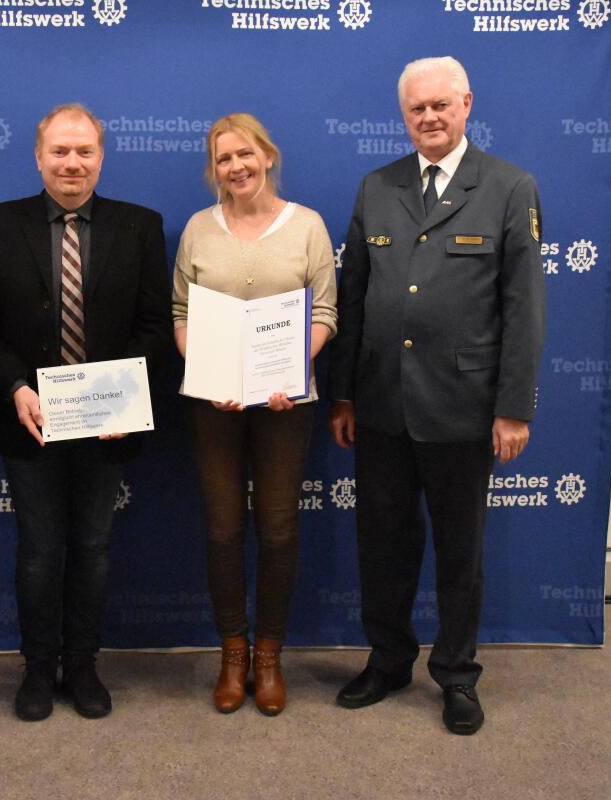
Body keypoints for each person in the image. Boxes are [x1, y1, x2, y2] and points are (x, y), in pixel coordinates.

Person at [328, 56, 546, 735]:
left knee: (459, 554)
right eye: (416, 108)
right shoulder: (377, 187)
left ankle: (456, 674)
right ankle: (389, 659)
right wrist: (343, 395)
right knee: (383, 546)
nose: (428, 117)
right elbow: (354, 298)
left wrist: (513, 407)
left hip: (464, 407)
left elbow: (524, 308)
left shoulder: (508, 187)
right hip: (381, 405)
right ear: (403, 115)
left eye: (439, 106)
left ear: (465, 105)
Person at [0, 103, 172, 722]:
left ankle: (82, 666)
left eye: (84, 151)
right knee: (39, 549)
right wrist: (15, 387)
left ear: (101, 158)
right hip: (28, 418)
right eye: (59, 151)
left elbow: (156, 324)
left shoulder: (140, 226)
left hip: (108, 421)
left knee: (94, 547)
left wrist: (123, 394)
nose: (72, 162)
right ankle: (36, 668)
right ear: (38, 157)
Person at [172, 113, 338, 716]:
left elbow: (325, 313)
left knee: (278, 529)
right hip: (214, 405)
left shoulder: (308, 226)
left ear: (268, 156)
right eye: (223, 159)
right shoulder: (198, 228)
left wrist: (286, 371)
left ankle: (269, 656)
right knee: (222, 529)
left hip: (284, 404)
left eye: (245, 154)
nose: (236, 167)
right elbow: (180, 313)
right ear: (213, 169)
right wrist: (209, 371)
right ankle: (232, 653)